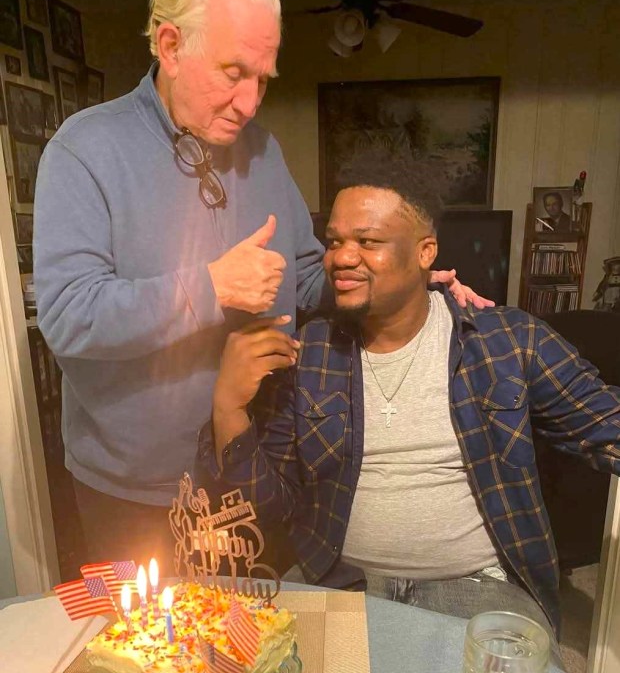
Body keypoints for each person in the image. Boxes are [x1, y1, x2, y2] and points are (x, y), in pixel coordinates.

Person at [33, 0, 486, 572]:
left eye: (264, 79)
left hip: (255, 467)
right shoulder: (84, 149)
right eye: (232, 73)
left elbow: (299, 278)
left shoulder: (263, 151)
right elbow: (69, 318)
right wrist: (213, 289)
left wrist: (386, 279)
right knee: (147, 659)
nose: (250, 103)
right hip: (134, 489)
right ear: (170, 46)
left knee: (256, 648)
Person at [197, 158, 620, 643]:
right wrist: (228, 409)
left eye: (368, 242)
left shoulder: (507, 342)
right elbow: (266, 511)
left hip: (478, 590)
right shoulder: (309, 353)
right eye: (334, 241)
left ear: (425, 252)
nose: (342, 257)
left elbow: (606, 422)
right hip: (340, 581)